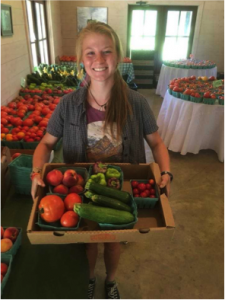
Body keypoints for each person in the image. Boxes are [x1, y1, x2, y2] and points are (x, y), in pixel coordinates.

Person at [31, 21, 172, 300]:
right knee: (86, 239)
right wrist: (37, 170)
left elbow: (156, 143)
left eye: (106, 51)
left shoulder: (137, 103)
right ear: (81, 60)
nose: (99, 60)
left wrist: (166, 173)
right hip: (78, 187)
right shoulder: (67, 105)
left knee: (113, 241)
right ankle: (90, 278)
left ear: (117, 56)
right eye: (90, 53)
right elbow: (46, 144)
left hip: (117, 187)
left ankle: (110, 280)